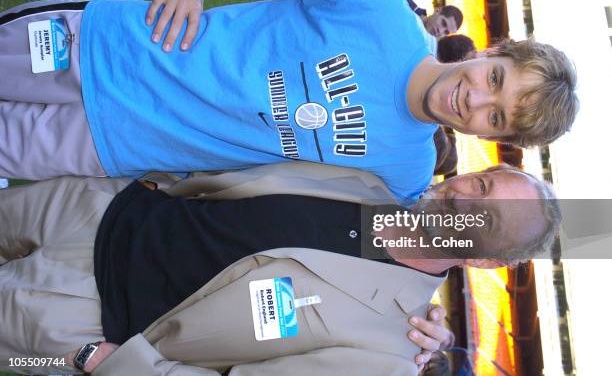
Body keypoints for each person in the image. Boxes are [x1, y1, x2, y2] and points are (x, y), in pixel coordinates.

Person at [0, 0, 578, 203]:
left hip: (110, 145)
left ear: (490, 137)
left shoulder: (406, 169)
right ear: (489, 53)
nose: (474, 101)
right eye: (494, 80)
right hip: (111, 46)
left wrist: (430, 334)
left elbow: (396, 248)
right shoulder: (378, 5)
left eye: (496, 118)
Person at [0, 162, 560, 375]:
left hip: (77, 322)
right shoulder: (366, 185)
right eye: (481, 183)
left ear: (485, 259)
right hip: (96, 209)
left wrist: (110, 364)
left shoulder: (390, 353)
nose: (463, 197)